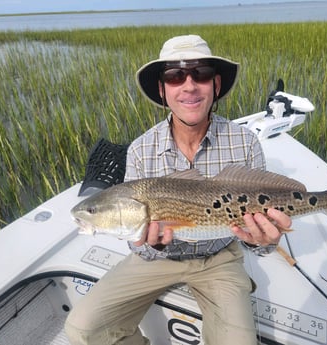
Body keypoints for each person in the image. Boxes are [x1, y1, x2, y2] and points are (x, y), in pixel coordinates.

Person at [65, 34, 292, 345]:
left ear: (215, 84)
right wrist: (150, 244)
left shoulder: (245, 142)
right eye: (174, 76)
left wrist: (264, 240)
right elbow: (137, 242)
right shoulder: (140, 149)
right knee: (82, 328)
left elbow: (258, 232)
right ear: (162, 89)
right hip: (155, 260)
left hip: (219, 256)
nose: (189, 85)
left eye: (200, 74)